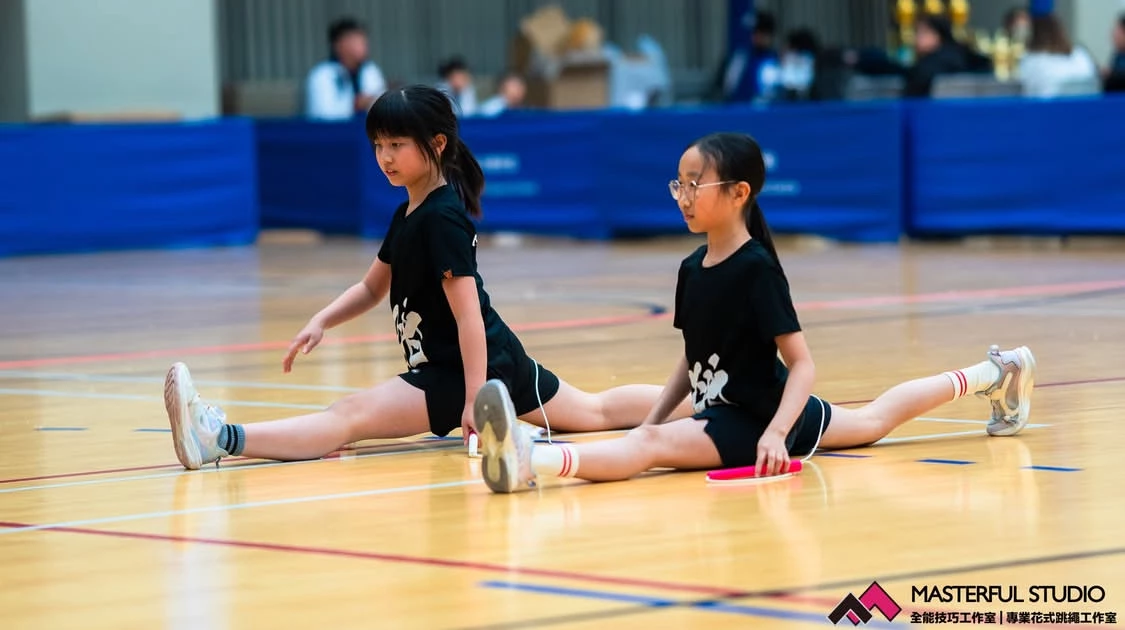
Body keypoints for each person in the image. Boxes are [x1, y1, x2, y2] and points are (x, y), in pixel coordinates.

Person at [474, 132, 1037, 494]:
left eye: (696, 184)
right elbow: (690, 358)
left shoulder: (757, 268)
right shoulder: (692, 268)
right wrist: (656, 414)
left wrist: (775, 433)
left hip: (760, 417)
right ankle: (995, 374)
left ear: (739, 192)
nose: (684, 195)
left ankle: (533, 460)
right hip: (723, 407)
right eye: (679, 184)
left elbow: (803, 366)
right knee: (649, 435)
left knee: (870, 423)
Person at [164, 85, 693, 471]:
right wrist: (322, 320)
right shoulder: (410, 213)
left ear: (435, 144)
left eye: (397, 144)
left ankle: (219, 437)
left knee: (347, 416)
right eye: (378, 145)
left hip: (465, 367)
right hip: (477, 361)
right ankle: (711, 402)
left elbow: (467, 316)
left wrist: (474, 400)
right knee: (594, 410)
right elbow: (372, 288)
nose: (385, 157)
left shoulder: (442, 217)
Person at [305, 17, 387, 120]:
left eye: (363, 41)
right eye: (356, 41)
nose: (363, 46)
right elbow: (323, 114)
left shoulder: (371, 70)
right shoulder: (321, 75)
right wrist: (356, 105)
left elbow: (383, 110)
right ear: (339, 45)